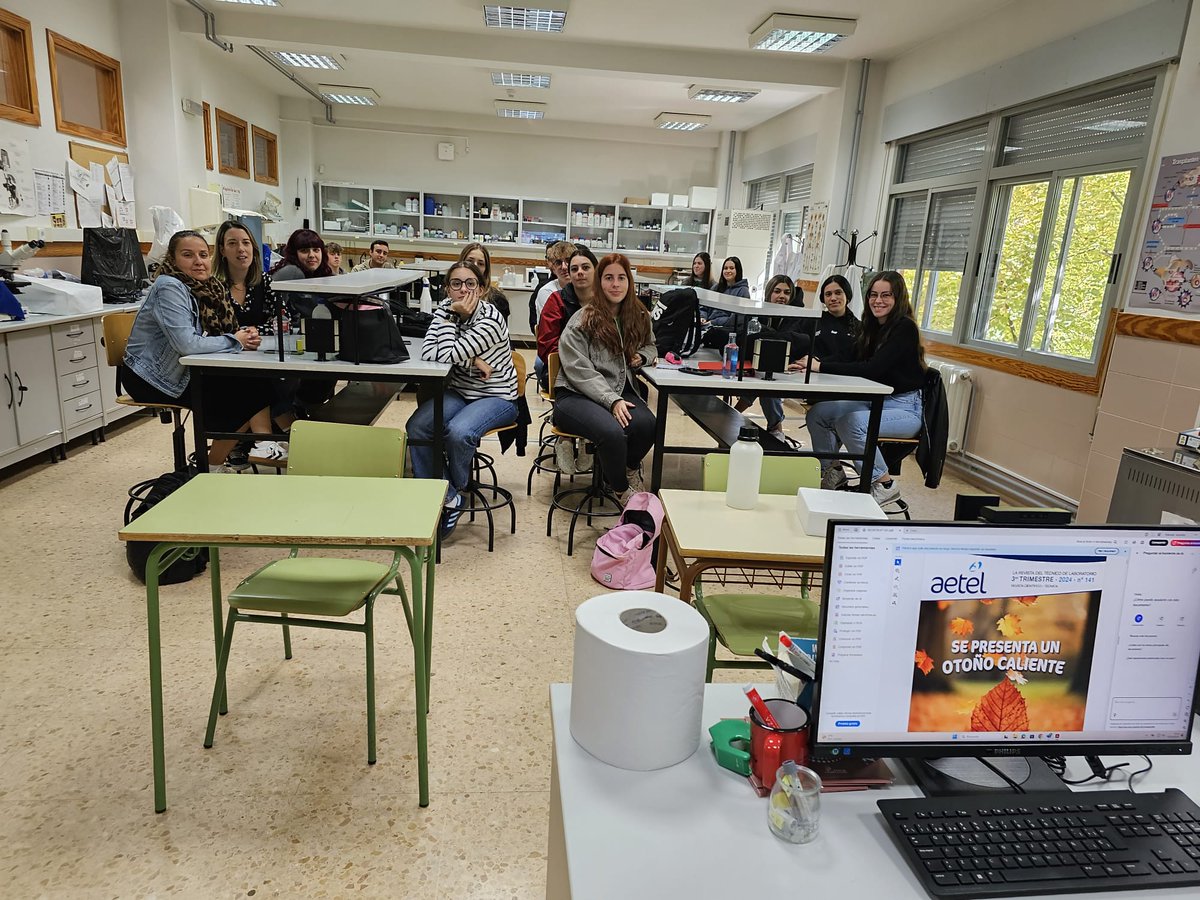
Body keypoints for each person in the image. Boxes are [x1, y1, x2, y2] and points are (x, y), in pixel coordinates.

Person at [120, 230, 282, 468]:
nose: (198, 261)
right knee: (244, 395)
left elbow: (216, 334)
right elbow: (187, 344)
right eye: (188, 255)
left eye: (203, 255)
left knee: (257, 385)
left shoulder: (208, 288)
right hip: (151, 377)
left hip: (184, 370)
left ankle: (219, 462)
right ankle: (211, 467)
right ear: (172, 260)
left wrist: (244, 334)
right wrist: (235, 340)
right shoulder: (170, 287)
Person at [406, 261, 518, 539]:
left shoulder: (490, 319)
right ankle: (448, 495)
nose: (463, 290)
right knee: (417, 427)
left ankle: (452, 490)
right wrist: (470, 356)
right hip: (461, 391)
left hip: (497, 396)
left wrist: (457, 346)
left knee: (459, 432)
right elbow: (430, 353)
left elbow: (445, 353)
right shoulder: (446, 309)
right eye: (456, 284)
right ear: (447, 288)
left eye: (470, 284)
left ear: (481, 289)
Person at [796, 270, 926, 506]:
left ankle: (884, 484)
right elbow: (848, 357)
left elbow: (872, 369)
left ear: (899, 298)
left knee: (851, 422)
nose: (878, 300)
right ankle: (833, 473)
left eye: (886, 295)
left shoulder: (904, 328)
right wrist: (809, 362)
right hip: (876, 401)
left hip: (905, 408)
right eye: (874, 295)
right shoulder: (873, 326)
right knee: (819, 413)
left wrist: (821, 366)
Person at [553, 253, 657, 505]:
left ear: (630, 282)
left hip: (618, 390)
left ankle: (627, 469)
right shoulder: (582, 319)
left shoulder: (638, 315)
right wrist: (611, 400)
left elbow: (652, 346)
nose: (615, 284)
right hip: (575, 395)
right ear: (599, 283)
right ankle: (622, 492)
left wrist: (642, 357)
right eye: (608, 278)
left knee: (648, 425)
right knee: (612, 433)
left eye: (622, 278)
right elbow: (579, 370)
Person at [733, 274, 806, 444]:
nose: (782, 296)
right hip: (761, 365)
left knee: (767, 381)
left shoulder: (797, 315)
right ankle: (775, 426)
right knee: (763, 376)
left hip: (789, 370)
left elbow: (793, 342)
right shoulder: (760, 312)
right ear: (768, 293)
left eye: (787, 293)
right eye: (777, 291)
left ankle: (734, 414)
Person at [532, 241, 574, 388]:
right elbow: (551, 336)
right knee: (540, 365)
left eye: (568, 261)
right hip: (556, 349)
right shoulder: (548, 293)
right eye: (558, 262)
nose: (564, 267)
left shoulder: (584, 288)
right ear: (552, 267)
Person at [458, 241, 510, 320]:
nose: (475, 266)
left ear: (486, 269)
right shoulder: (451, 294)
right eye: (469, 261)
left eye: (480, 263)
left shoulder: (498, 300)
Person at [701, 256, 750, 329]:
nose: (728, 271)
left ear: (738, 270)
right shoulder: (716, 287)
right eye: (725, 268)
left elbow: (738, 318)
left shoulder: (743, 291)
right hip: (706, 325)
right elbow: (704, 306)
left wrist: (714, 322)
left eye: (731, 268)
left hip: (725, 329)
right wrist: (702, 317)